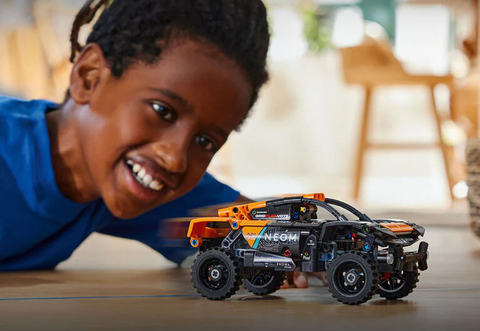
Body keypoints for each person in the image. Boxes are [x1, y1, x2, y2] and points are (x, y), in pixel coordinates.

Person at [0, 0, 325, 287]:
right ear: (89, 76)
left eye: (204, 141)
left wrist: (318, 254)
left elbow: (255, 226)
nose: (175, 159)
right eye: (162, 111)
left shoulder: (135, 180)